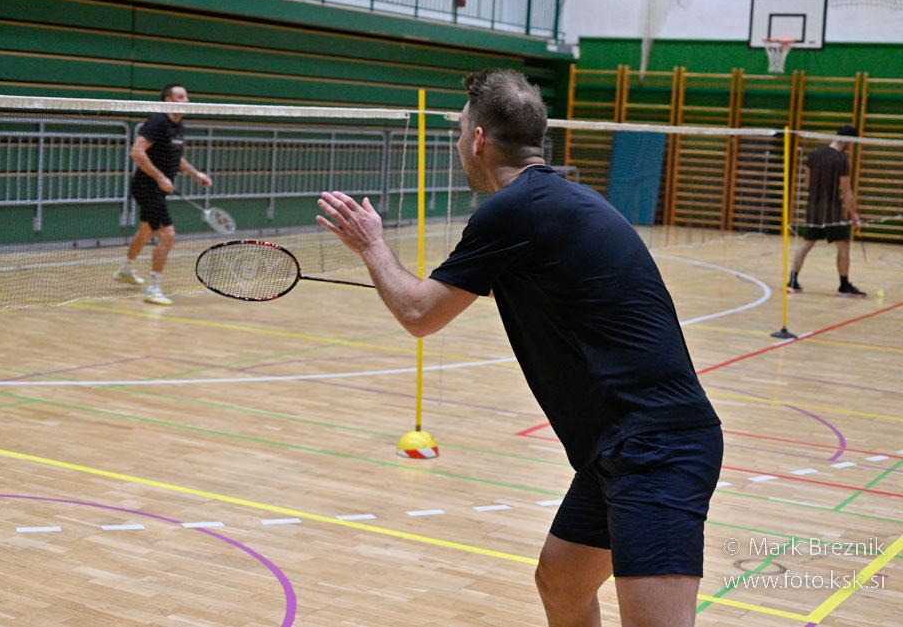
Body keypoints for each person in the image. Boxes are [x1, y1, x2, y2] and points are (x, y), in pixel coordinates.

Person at [316, 69, 722, 627]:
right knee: (561, 581)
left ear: (479, 140)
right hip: (619, 443)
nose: (460, 142)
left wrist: (372, 246)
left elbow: (419, 313)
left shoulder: (514, 209)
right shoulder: (559, 200)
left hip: (655, 447)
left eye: (461, 131)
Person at [114, 83, 212, 305]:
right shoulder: (158, 122)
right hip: (147, 187)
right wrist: (160, 177)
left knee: (146, 231)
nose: (186, 101)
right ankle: (153, 289)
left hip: (156, 188)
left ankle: (125, 270)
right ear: (168, 100)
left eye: (186, 96)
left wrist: (196, 174)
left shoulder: (178, 125)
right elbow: (136, 151)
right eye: (180, 97)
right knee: (168, 235)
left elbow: (176, 157)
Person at [787, 125, 865, 298]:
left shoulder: (813, 156)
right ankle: (844, 286)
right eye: (852, 143)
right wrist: (854, 215)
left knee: (807, 244)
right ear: (847, 140)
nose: (851, 147)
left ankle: (792, 282)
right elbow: (846, 191)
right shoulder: (841, 160)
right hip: (832, 209)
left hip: (813, 207)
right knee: (843, 245)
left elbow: (807, 183)